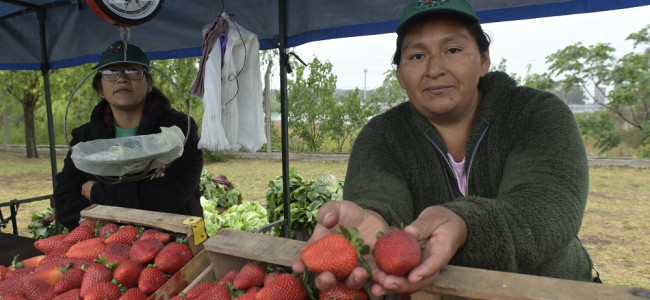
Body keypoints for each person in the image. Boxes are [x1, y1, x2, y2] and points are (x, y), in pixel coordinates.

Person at [292, 0, 595, 297]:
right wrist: (374, 218)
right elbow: (377, 197)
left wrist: (464, 225)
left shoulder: (534, 112)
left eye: (453, 50)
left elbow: (548, 207)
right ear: (399, 75)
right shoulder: (382, 135)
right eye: (417, 56)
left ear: (484, 59)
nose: (435, 68)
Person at [54, 41, 204, 230]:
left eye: (133, 70)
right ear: (100, 88)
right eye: (110, 72)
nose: (122, 78)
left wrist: (96, 192)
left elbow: (172, 194)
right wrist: (119, 226)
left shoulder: (179, 128)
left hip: (172, 241)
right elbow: (64, 204)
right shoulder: (85, 137)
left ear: (149, 83)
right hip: (104, 246)